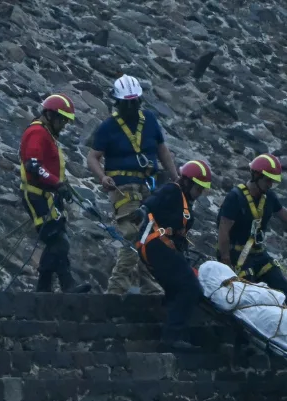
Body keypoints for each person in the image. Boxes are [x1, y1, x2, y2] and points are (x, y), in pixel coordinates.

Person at [86, 75, 177, 296]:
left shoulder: (150, 120)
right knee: (133, 236)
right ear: (117, 103)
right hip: (123, 189)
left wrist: (176, 178)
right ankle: (116, 290)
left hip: (148, 187)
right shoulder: (108, 127)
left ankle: (150, 288)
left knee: (151, 236)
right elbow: (92, 157)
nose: (130, 107)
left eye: (134, 102)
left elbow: (162, 150)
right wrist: (102, 177)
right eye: (126, 103)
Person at [136, 160, 213, 350]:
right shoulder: (172, 190)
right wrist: (142, 212)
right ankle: (171, 337)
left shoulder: (185, 199)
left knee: (177, 289)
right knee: (190, 287)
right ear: (187, 182)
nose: (201, 192)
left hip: (165, 248)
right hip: (156, 246)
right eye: (199, 188)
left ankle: (177, 335)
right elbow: (149, 204)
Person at [216, 153, 287, 303]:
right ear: (256, 175)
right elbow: (223, 230)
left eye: (272, 181)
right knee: (247, 289)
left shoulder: (269, 197)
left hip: (258, 253)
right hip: (236, 253)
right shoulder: (235, 197)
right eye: (268, 180)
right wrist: (225, 260)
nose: (270, 184)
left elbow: (285, 215)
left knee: (281, 287)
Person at [19, 93, 90, 294]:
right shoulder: (37, 133)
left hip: (48, 196)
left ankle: (43, 289)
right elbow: (33, 166)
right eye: (63, 121)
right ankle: (67, 285)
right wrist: (56, 183)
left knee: (55, 239)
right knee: (58, 239)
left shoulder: (46, 134)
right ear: (51, 115)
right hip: (38, 196)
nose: (64, 125)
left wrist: (61, 186)